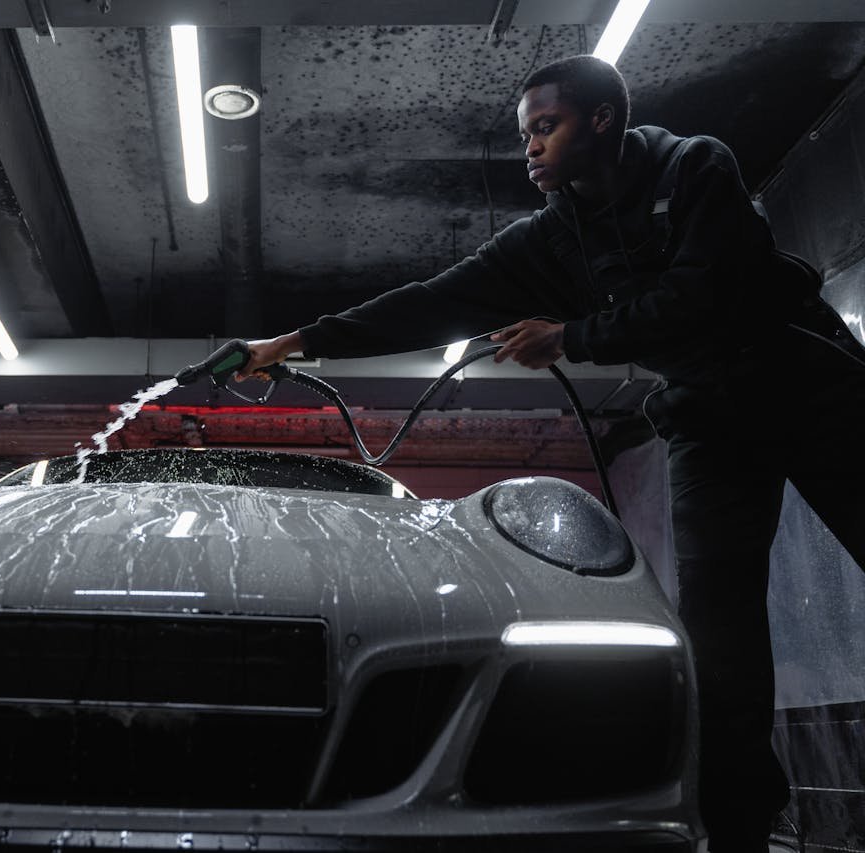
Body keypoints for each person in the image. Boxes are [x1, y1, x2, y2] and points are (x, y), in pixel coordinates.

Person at [241, 54, 865, 853]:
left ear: (601, 119)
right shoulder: (552, 237)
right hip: (710, 420)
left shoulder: (696, 166)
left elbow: (704, 297)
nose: (529, 148)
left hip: (806, 382)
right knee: (719, 636)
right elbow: (436, 300)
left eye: (545, 127)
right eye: (525, 134)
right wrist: (294, 342)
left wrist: (571, 336)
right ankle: (739, 830)